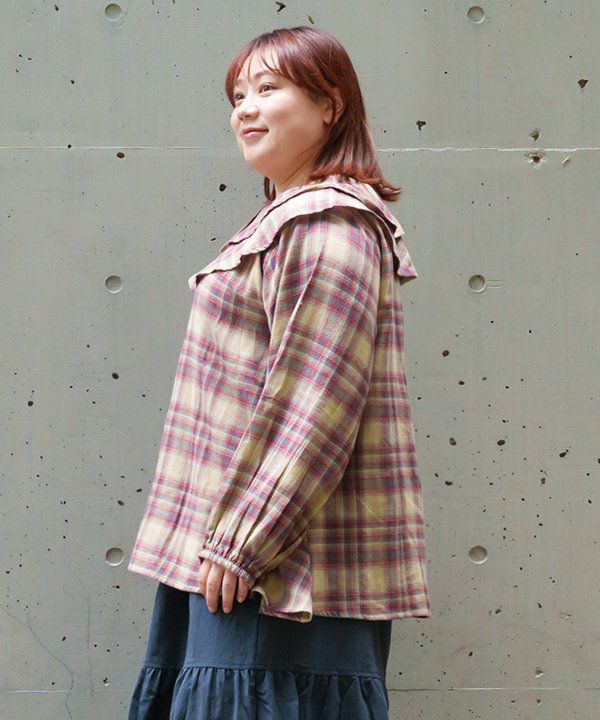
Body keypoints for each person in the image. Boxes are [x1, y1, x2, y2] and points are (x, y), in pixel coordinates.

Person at [126, 25, 431, 720]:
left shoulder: (329, 228)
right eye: (238, 95)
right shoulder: (287, 222)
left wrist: (242, 544)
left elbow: (316, 406)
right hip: (239, 561)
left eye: (268, 88)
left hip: (276, 577)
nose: (246, 108)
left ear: (330, 105)